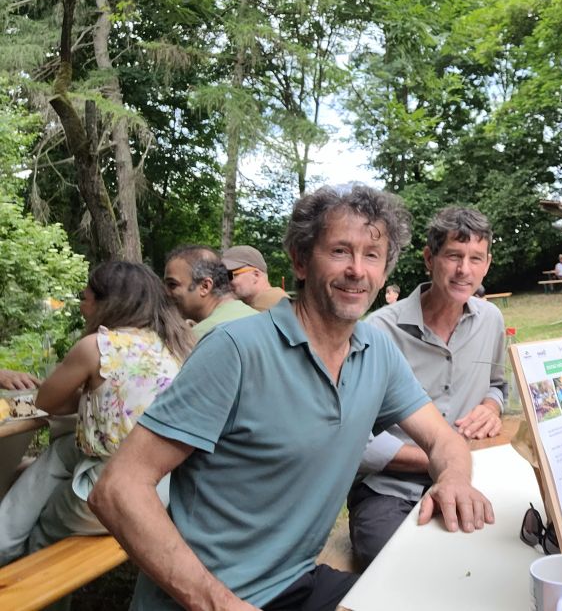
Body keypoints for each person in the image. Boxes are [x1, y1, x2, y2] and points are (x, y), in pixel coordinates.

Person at [89, 184, 494, 611]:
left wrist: (453, 479)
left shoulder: (377, 351)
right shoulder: (236, 350)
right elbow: (117, 489)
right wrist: (218, 603)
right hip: (203, 599)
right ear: (300, 260)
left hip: (294, 583)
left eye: (372, 255)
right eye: (340, 251)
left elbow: (444, 439)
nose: (357, 270)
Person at [0, 261, 192, 565]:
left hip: (116, 491)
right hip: (165, 484)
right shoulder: (175, 345)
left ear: (107, 303)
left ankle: (9, 553)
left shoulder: (97, 347)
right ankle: (4, 536)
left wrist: (54, 388)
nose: (80, 306)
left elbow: (46, 402)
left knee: (42, 527)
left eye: (84, 297)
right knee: (63, 450)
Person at [349, 206, 506, 568]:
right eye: (453, 255)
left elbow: (498, 385)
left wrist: (491, 406)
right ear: (429, 258)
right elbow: (356, 440)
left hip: (473, 477)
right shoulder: (378, 331)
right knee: (398, 564)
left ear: (487, 264)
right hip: (390, 489)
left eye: (475, 258)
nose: (464, 269)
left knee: (502, 553)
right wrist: (446, 464)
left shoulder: (491, 320)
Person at [163, 245, 257, 339]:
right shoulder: (256, 318)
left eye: (172, 284)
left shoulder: (201, 336)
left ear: (205, 286)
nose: (165, 292)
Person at [222, 245, 289, 311]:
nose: (225, 281)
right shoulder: (276, 299)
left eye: (229, 275)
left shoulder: (265, 308)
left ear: (256, 275)